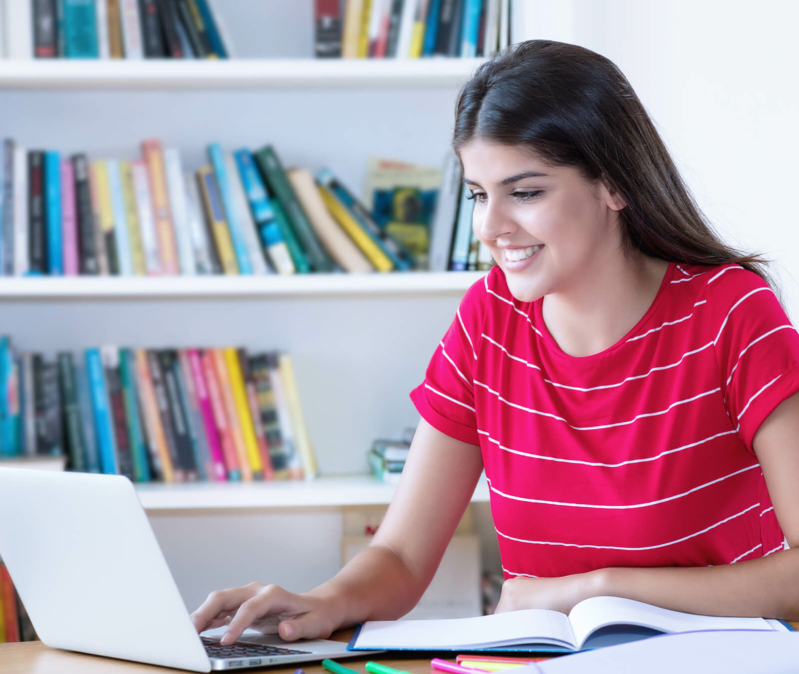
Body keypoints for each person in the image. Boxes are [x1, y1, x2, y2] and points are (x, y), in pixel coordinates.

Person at [191, 40, 799, 646]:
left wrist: (597, 587)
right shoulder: (491, 319)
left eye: (526, 192)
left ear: (614, 186)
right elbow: (402, 555)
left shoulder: (733, 313)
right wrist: (317, 605)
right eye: (479, 194)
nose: (490, 226)